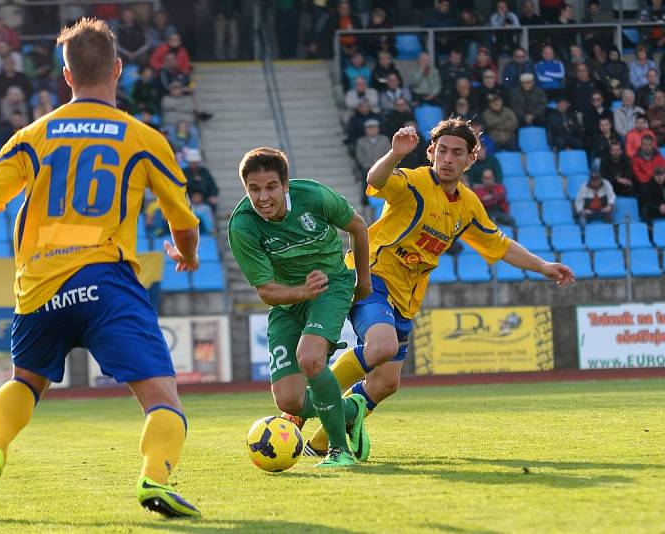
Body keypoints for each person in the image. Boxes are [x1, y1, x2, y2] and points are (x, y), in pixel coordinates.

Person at [0, 18, 202, 520]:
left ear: (66, 74)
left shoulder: (33, 136)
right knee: (162, 398)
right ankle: (155, 479)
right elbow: (183, 222)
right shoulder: (143, 138)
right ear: (118, 69)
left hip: (38, 289)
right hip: (106, 282)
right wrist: (185, 253)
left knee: (25, 382)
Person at [302, 119, 574, 456]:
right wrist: (394, 154)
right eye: (442, 150)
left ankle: (321, 443)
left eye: (457, 152)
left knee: (387, 383)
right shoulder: (414, 182)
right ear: (431, 152)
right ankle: (304, 407)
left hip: (405, 298)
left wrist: (544, 267)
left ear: (470, 159)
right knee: (382, 345)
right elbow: (375, 180)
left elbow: (499, 245)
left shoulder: (468, 205)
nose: (447, 158)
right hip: (370, 276)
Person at [227, 147, 371, 468]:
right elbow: (266, 292)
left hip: (330, 286)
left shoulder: (315, 197)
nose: (263, 197)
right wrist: (300, 291)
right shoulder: (243, 227)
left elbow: (358, 227)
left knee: (310, 359)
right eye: (254, 189)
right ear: (246, 189)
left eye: (271, 187)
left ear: (286, 184)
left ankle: (338, 451)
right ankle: (350, 410)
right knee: (289, 400)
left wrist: (364, 282)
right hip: (288, 301)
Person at [183, 149, 219, 215]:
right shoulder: (184, 172)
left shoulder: (204, 172)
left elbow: (213, 187)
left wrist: (212, 196)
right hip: (188, 201)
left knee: (211, 207)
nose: (194, 164)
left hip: (204, 201)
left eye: (195, 162)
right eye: (192, 162)